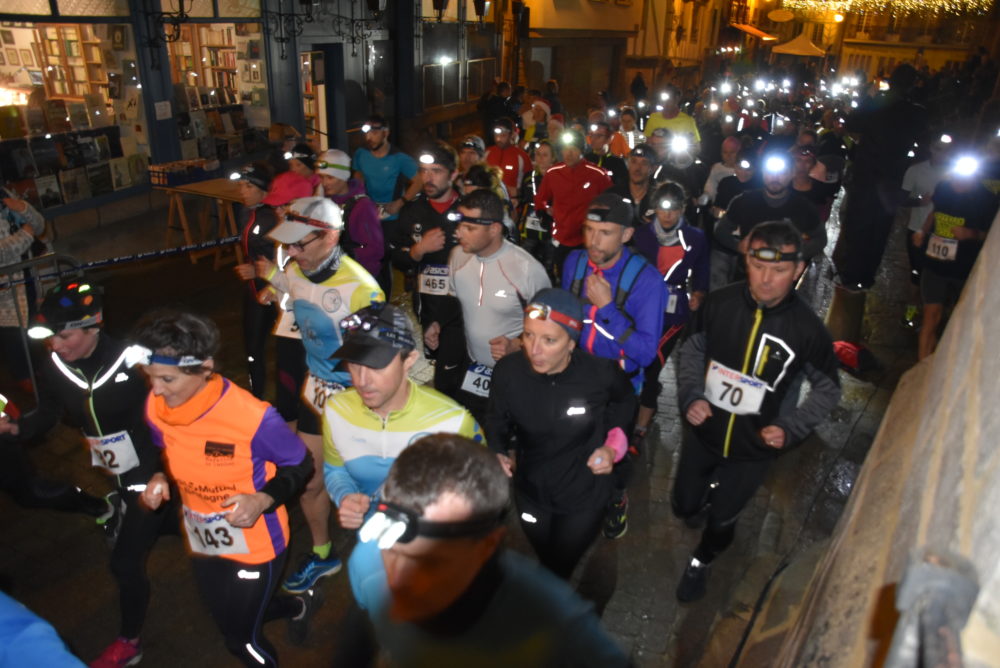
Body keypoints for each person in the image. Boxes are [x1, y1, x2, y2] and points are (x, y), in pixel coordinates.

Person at [347, 433, 630, 667]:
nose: (395, 581)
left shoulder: (556, 620)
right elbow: (362, 633)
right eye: (388, 547)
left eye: (431, 562)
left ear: (487, 546)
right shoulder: (367, 556)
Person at [3, 279, 172, 668]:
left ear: (94, 325)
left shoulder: (135, 360)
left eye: (64, 336)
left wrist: (163, 470)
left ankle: (129, 642)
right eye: (50, 338)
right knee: (169, 525)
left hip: (154, 471)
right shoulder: (55, 365)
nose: (55, 345)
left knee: (124, 563)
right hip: (118, 472)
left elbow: (175, 409)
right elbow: (49, 411)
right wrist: (17, 428)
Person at [134, 310, 317, 666]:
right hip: (204, 536)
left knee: (241, 641)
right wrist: (159, 476)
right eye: (149, 376)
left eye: (167, 379)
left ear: (204, 368)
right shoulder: (157, 404)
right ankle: (297, 605)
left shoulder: (253, 418)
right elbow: (162, 449)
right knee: (225, 616)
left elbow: (301, 462)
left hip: (256, 544)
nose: (156, 390)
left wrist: (263, 499)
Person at [673, 220, 841, 602]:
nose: (766, 279)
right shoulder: (719, 303)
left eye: (779, 270)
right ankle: (698, 501)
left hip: (753, 449)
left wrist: (791, 427)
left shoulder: (809, 330)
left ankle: (701, 560)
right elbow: (692, 349)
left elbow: (828, 388)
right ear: (745, 260)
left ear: (798, 270)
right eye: (758, 265)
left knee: (722, 520)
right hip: (704, 432)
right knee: (683, 505)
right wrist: (691, 395)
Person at [255, 196, 385, 593]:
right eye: (288, 244)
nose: (291, 253)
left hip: (360, 402)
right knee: (309, 481)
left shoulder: (361, 289)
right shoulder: (295, 271)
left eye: (299, 244)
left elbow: (381, 364)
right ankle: (323, 553)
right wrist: (273, 286)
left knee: (369, 489)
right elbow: (292, 295)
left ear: (330, 237)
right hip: (318, 393)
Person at [321, 303, 483, 601]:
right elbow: (335, 469)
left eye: (376, 365)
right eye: (354, 364)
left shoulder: (452, 421)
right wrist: (345, 496)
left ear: (409, 360)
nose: (362, 380)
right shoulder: (336, 410)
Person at [486, 288, 637, 577]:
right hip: (531, 490)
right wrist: (497, 450)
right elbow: (495, 418)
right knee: (545, 555)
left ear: (571, 342)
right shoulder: (507, 372)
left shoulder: (599, 374)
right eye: (528, 335)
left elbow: (626, 401)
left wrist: (613, 446)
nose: (534, 350)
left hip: (585, 493)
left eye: (549, 340)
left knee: (561, 564)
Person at [562, 192, 664, 539]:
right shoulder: (574, 262)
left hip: (618, 388)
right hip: (575, 376)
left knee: (613, 454)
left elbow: (646, 354)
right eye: (589, 230)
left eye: (605, 233)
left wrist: (607, 308)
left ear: (626, 234)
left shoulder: (648, 282)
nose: (593, 241)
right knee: (573, 443)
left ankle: (617, 499)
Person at [429, 190, 550, 420]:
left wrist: (517, 345)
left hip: (516, 370)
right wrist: (436, 323)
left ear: (494, 229)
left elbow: (548, 326)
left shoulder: (527, 270)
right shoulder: (457, 256)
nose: (458, 232)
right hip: (473, 367)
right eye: (460, 225)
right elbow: (454, 299)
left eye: (469, 228)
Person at [631, 182, 709, 448]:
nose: (668, 215)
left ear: (683, 209)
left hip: (673, 312)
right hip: (640, 308)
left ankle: (641, 424)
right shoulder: (640, 235)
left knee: (654, 362)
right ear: (655, 208)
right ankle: (630, 405)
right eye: (663, 208)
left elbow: (702, 268)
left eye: (674, 209)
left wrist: (699, 292)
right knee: (633, 358)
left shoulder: (695, 238)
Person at [388, 142, 466, 396]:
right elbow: (396, 257)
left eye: (436, 171)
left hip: (465, 309)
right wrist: (418, 250)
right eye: (424, 171)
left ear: (453, 174)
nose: (428, 178)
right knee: (442, 371)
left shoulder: (468, 209)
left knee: (456, 376)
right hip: (429, 308)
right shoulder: (412, 212)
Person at [232, 163, 312, 399]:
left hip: (294, 308)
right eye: (240, 186)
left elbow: (302, 278)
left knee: (297, 364)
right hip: (270, 297)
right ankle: (261, 400)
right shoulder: (257, 216)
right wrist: (267, 281)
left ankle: (295, 406)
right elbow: (280, 263)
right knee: (263, 354)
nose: (242, 192)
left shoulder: (301, 235)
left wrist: (263, 275)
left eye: (248, 186)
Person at [912, 154, 997, 359]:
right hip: (934, 263)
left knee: (959, 320)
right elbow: (935, 212)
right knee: (931, 316)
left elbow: (992, 236)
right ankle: (922, 366)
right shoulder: (944, 188)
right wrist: (922, 231)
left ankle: (949, 363)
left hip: (964, 269)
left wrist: (971, 234)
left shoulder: (987, 200)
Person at [714, 152, 825, 285]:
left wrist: (795, 254)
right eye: (770, 172)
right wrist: (738, 246)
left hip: (783, 280)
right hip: (747, 276)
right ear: (763, 173)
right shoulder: (744, 201)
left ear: (792, 174)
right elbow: (721, 230)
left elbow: (820, 239)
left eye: (782, 173)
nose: (775, 178)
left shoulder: (803, 207)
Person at [533, 129, 613, 280]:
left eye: (573, 149)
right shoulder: (553, 173)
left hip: (589, 241)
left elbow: (612, 203)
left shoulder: (597, 174)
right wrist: (543, 213)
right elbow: (540, 199)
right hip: (562, 239)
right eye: (565, 149)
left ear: (582, 150)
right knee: (564, 279)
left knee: (589, 281)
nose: (569, 154)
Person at [316, 148, 388, 295]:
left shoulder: (362, 206)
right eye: (322, 178)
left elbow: (376, 249)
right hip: (334, 278)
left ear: (343, 177)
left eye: (330, 178)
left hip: (359, 280)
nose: (325, 183)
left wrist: (343, 256)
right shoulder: (325, 203)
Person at [898, 135, 951, 328]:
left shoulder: (954, 173)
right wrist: (920, 201)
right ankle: (911, 309)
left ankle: (933, 314)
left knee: (939, 275)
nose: (942, 154)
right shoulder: (916, 170)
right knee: (917, 273)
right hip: (917, 230)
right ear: (931, 148)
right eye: (939, 149)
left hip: (944, 234)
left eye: (946, 150)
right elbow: (901, 199)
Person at [0, 193, 48, 392]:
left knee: (33, 327)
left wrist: (22, 207)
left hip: (27, 279)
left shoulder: (5, 195)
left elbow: (39, 226)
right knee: (13, 335)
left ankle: (40, 371)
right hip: (5, 291)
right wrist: (25, 236)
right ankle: (25, 379)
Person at [351, 114, 421, 220]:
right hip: (369, 213)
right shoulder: (361, 153)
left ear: (385, 133)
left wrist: (401, 202)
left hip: (392, 215)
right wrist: (360, 196)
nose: (369, 137)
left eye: (374, 133)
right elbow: (358, 174)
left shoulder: (399, 158)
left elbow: (419, 182)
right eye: (366, 133)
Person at [518, 140, 558, 269]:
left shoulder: (559, 177)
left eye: (545, 155)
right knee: (525, 262)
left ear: (553, 157)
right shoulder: (528, 177)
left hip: (550, 229)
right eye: (538, 154)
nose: (541, 158)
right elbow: (523, 199)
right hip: (530, 229)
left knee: (549, 264)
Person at [485, 118, 532, 206]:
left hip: (512, 204)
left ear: (511, 135)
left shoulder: (521, 157)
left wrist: (518, 192)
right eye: (496, 135)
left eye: (503, 135)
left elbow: (529, 183)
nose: (499, 138)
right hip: (489, 202)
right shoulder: (487, 153)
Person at [644, 84, 701, 157]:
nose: (666, 102)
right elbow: (646, 141)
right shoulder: (653, 117)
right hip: (656, 159)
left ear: (676, 99)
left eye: (669, 99)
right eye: (664, 99)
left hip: (677, 160)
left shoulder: (688, 121)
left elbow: (697, 147)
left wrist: (685, 152)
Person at [584, 121, 628, 190]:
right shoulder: (585, 160)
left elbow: (622, 186)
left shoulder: (617, 163)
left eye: (598, 136)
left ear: (609, 139)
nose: (593, 139)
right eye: (592, 135)